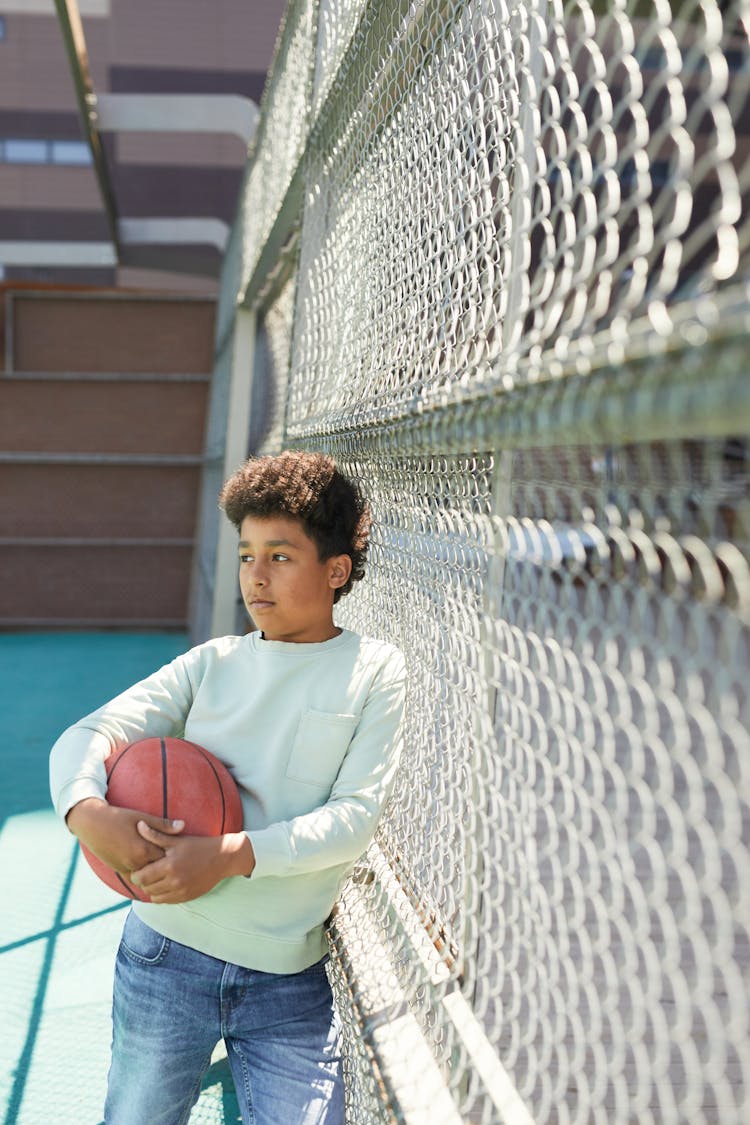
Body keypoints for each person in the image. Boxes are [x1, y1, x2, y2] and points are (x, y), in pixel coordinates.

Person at [49, 450, 406, 1125]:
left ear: (336, 570)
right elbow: (90, 732)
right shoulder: (212, 663)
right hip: (165, 955)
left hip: (288, 977)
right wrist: (85, 810)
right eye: (246, 555)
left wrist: (232, 852)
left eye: (280, 556)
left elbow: (356, 815)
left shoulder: (374, 672)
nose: (255, 576)